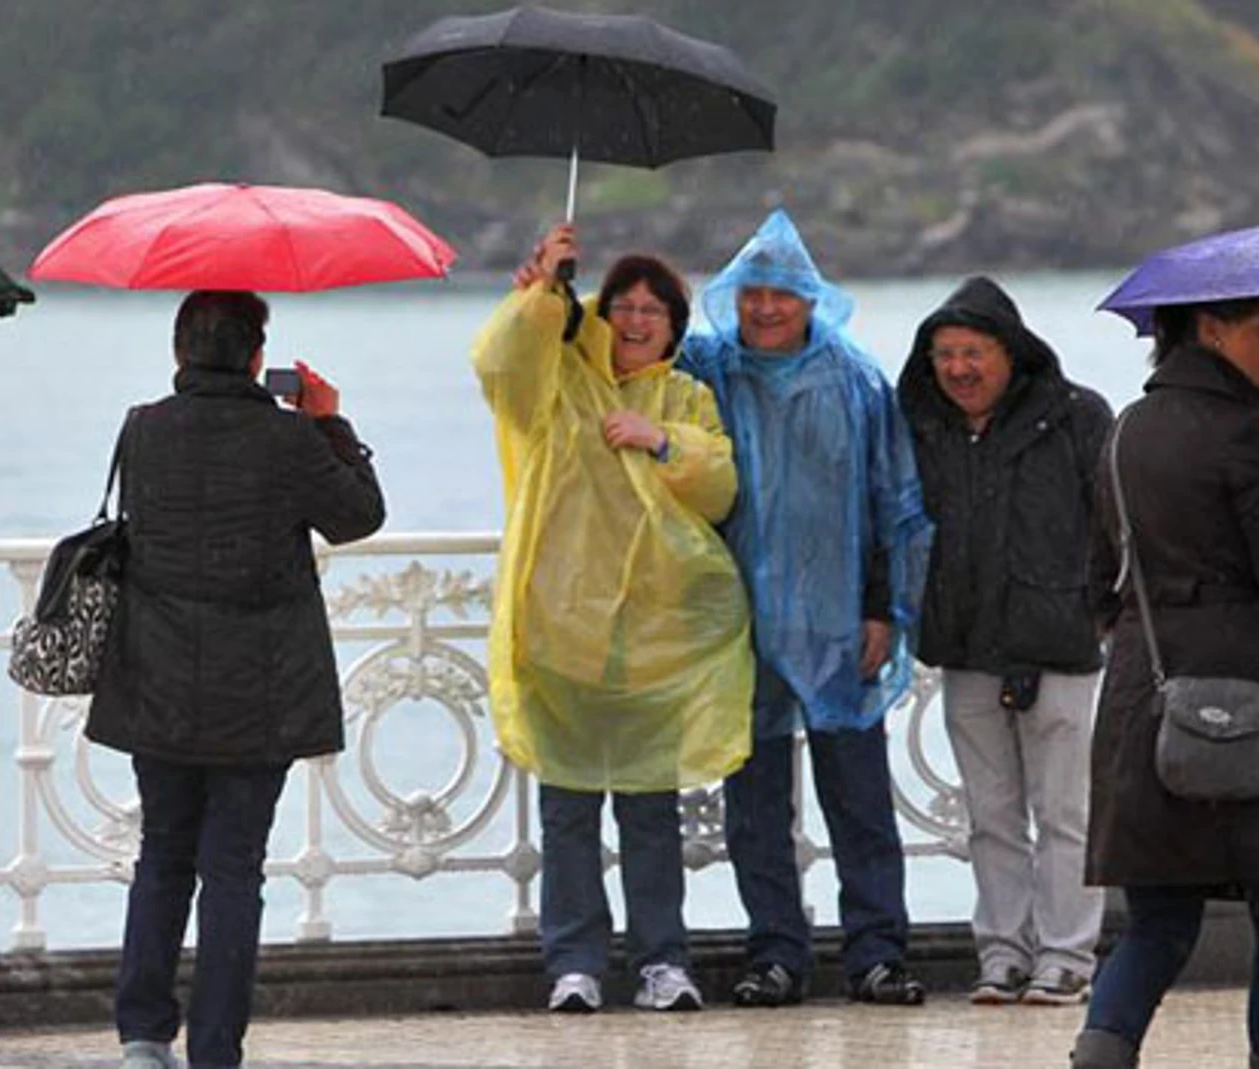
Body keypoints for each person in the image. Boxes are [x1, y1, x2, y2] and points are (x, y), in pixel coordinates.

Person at [86, 291, 385, 1069]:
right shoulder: (286, 439)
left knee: (162, 857)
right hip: (261, 693)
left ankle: (143, 1034)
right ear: (259, 357)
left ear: (180, 350)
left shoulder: (143, 428)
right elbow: (358, 515)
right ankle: (215, 1049)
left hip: (155, 682)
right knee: (231, 872)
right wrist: (329, 421)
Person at [1068, 294, 1259, 1069]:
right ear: (1210, 327)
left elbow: (1100, 577)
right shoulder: (1254, 432)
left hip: (1147, 688)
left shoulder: (1126, 429)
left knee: (1159, 919)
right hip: (1252, 690)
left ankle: (1099, 1055)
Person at [473, 223, 753, 1014]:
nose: (634, 320)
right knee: (566, 810)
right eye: (621, 305)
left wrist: (661, 440)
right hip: (559, 628)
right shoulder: (557, 383)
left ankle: (663, 960)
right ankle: (575, 963)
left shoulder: (688, 396)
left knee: (649, 811)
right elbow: (500, 363)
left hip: (653, 643)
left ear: (673, 325)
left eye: (652, 311)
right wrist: (541, 295)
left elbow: (719, 485)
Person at [677, 209, 934, 1007]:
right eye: (752, 291)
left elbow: (893, 502)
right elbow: (622, 364)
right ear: (731, 296)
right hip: (738, 621)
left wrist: (884, 608)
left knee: (857, 796)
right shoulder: (706, 371)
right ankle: (776, 952)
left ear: (810, 298)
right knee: (753, 806)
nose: (765, 307)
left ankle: (878, 951)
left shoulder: (855, 380)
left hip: (837, 620)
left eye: (782, 293)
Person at [896, 276, 1111, 1006]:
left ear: (1010, 353)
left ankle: (1067, 955)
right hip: (967, 647)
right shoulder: (924, 425)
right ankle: (1003, 952)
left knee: (1065, 812)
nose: (958, 368)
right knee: (988, 815)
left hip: (1061, 645)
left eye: (973, 352)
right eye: (944, 353)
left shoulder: (1078, 415)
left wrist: (1101, 611)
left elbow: (1115, 522)